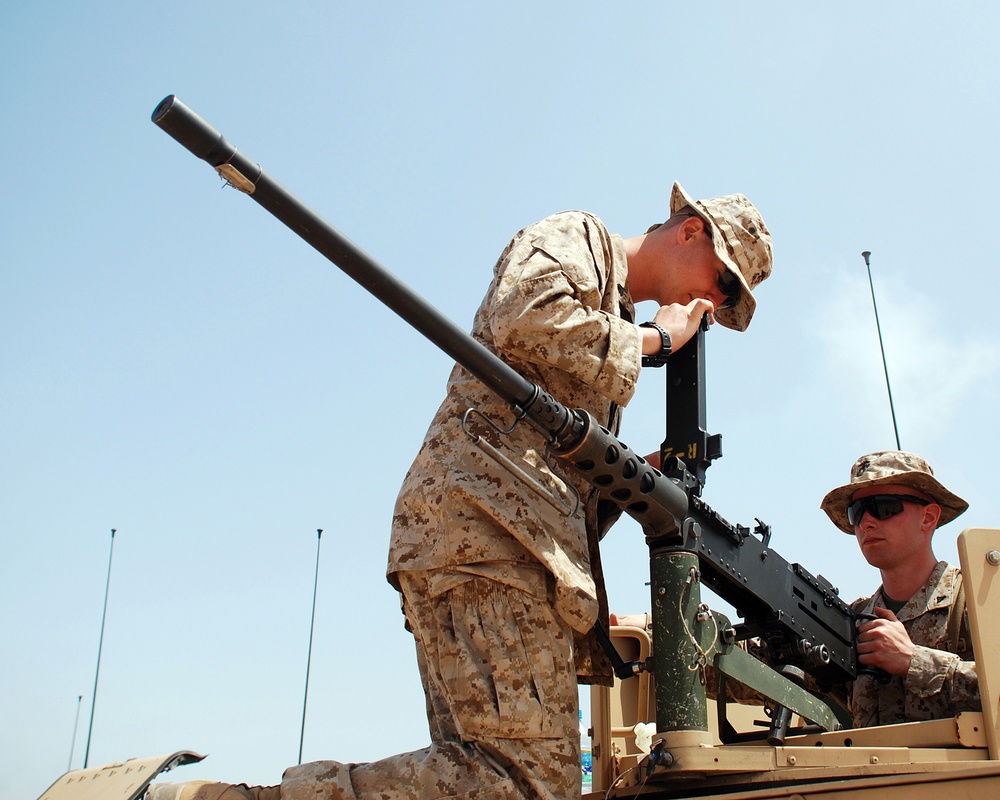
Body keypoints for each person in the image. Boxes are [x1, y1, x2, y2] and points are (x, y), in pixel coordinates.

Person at [148, 182, 772, 800]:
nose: (713, 305)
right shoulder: (581, 238)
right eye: (724, 282)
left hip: (508, 543)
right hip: (484, 534)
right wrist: (660, 339)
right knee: (524, 783)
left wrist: (630, 478)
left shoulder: (611, 324)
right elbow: (525, 314)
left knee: (488, 773)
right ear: (691, 230)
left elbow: (557, 483)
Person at [818, 449, 981, 727]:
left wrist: (913, 661)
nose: (867, 522)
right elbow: (764, 675)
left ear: (928, 518)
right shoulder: (851, 622)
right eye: (857, 512)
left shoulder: (978, 601)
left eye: (884, 506)